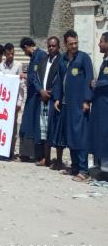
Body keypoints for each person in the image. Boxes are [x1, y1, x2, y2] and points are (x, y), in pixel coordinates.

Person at [53, 30, 94, 182]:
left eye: (76, 43)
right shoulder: (63, 59)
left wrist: (87, 100)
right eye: (71, 44)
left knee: (80, 136)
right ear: (66, 44)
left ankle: (83, 170)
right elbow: (59, 80)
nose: (74, 46)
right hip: (66, 104)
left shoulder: (84, 58)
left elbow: (89, 79)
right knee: (70, 135)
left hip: (79, 104)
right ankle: (75, 167)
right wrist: (57, 98)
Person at [35, 36, 63, 168]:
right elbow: (36, 78)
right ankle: (46, 158)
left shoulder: (62, 61)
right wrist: (41, 91)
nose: (51, 48)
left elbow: (61, 80)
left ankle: (59, 160)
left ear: (59, 47)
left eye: (54, 46)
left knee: (56, 129)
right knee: (44, 129)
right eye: (49, 46)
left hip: (54, 100)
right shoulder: (43, 60)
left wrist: (51, 94)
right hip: (43, 98)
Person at [19, 37, 48, 161]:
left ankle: (38, 155)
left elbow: (38, 76)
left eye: (24, 51)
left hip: (37, 96)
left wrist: (27, 77)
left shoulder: (41, 55)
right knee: (27, 124)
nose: (25, 53)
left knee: (36, 126)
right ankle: (26, 154)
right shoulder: (34, 57)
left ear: (26, 47)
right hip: (31, 96)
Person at [0, 43, 26, 159]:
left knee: (13, 127)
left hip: (13, 102)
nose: (11, 56)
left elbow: (21, 86)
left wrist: (19, 102)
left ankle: (10, 151)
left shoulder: (18, 65)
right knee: (2, 126)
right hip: (2, 102)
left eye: (12, 53)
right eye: (8, 54)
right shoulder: (1, 66)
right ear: (4, 54)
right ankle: (1, 150)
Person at [90, 32, 108, 173]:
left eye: (101, 41)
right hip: (99, 106)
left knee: (104, 135)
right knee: (99, 134)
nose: (99, 44)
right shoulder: (105, 60)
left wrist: (96, 83)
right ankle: (100, 165)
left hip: (105, 106)